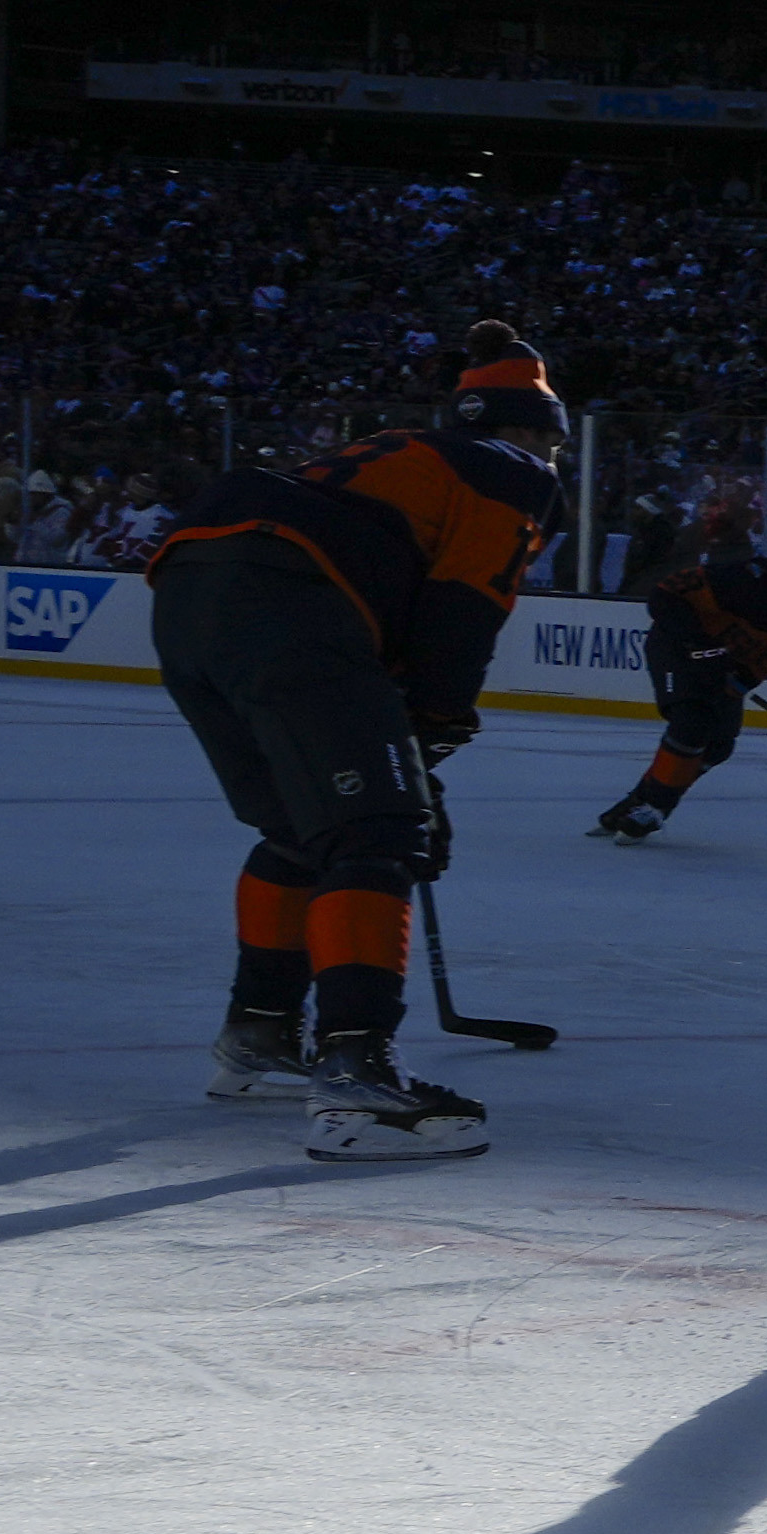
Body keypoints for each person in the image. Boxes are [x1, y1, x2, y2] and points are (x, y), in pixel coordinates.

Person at [148, 326, 565, 1163]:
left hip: (192, 591)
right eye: (553, 441)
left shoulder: (405, 452)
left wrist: (405, 743)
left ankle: (259, 1035)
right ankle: (358, 1079)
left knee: (306, 828)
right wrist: (431, 732)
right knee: (375, 832)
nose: (555, 459)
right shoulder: (508, 472)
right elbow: (461, 612)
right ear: (527, 431)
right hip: (289, 594)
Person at [591, 495, 767, 841]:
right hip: (680, 650)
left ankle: (638, 802)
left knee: (718, 745)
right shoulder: (741, 581)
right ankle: (654, 808)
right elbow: (666, 594)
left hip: (730, 672)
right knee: (693, 723)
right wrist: (696, 644)